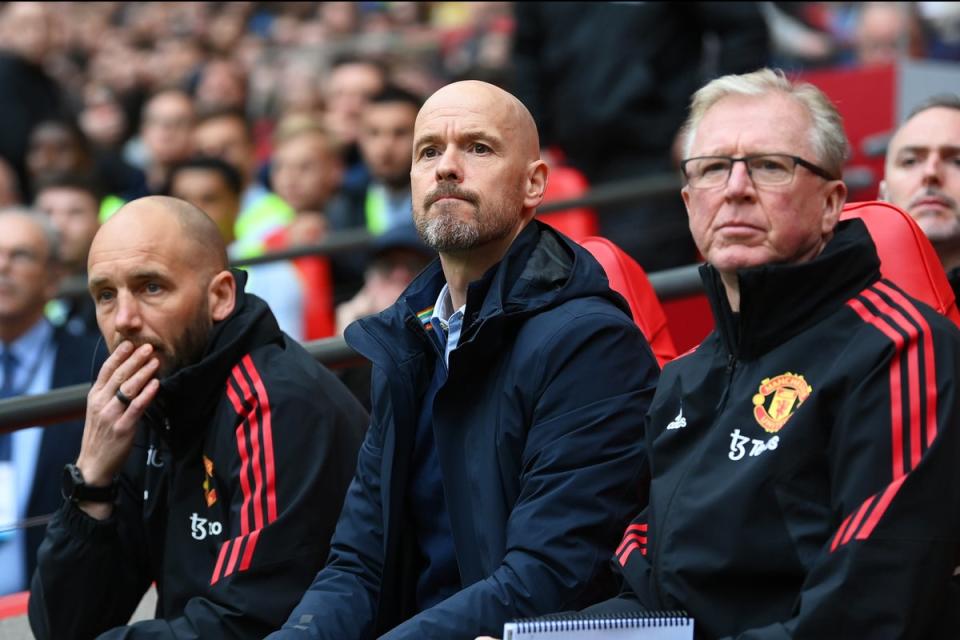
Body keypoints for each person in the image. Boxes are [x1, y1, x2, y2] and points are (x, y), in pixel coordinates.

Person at [268, 80, 658, 639]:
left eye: (478, 148)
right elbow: (359, 563)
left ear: (534, 184)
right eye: (428, 151)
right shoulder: (406, 339)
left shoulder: (591, 344)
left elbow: (548, 579)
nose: (446, 167)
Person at [584, 68, 960, 638]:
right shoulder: (685, 377)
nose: (735, 188)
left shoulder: (902, 349)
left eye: (768, 165)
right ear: (689, 203)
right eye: (712, 168)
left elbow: (867, 611)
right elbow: (649, 592)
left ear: (833, 203)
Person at [28, 196, 368, 638]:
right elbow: (62, 626)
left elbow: (248, 621)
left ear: (220, 296)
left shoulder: (274, 402)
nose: (124, 319)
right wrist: (91, 479)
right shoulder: (150, 398)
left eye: (152, 287)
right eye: (106, 295)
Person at [511, 2, 769, 272]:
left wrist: (703, 123)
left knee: (639, 286)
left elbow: (744, 30)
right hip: (568, 162)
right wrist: (537, 138)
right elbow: (527, 52)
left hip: (653, 157)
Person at [0, 208, 103, 595]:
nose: (3, 266)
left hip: (56, 597)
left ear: (54, 278)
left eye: (20, 255)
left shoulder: (94, 364)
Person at [167, 156, 307, 340]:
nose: (194, 210)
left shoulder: (274, 273)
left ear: (237, 203)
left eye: (209, 199)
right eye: (182, 200)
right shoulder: (155, 275)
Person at [879, 94, 960, 298]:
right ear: (883, 194)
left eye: (957, 162)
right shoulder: (838, 303)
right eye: (911, 161)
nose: (930, 173)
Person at [34, 172, 103, 337]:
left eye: (75, 212)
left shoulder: (118, 293)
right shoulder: (10, 292)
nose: (58, 225)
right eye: (47, 212)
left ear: (99, 223)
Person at [352, 84, 422, 234]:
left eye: (400, 133)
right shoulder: (346, 203)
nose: (385, 146)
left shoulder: (445, 201)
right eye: (374, 133)